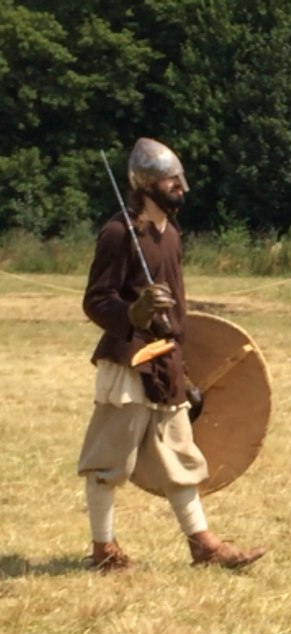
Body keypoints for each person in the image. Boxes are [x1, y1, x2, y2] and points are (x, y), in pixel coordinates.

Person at [78, 137, 266, 572]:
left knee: (179, 457)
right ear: (146, 184)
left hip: (166, 363)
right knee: (109, 460)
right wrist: (132, 313)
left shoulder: (171, 235)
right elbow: (96, 300)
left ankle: (204, 545)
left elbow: (177, 308)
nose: (183, 187)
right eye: (172, 180)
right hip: (129, 362)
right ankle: (103, 550)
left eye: (181, 179)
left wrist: (183, 361)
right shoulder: (118, 234)